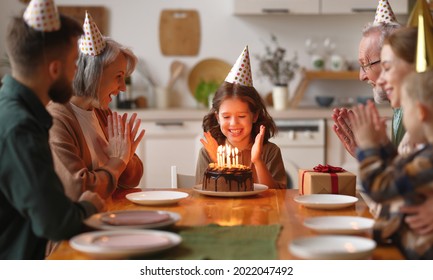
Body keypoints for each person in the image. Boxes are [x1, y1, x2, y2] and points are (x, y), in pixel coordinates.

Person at [0, 0, 104, 259]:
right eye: (73, 61)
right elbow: (56, 223)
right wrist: (88, 206)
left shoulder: (13, 111)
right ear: (55, 68)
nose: (76, 71)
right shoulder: (20, 128)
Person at [47, 12, 145, 201]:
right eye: (118, 76)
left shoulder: (102, 112)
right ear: (93, 74)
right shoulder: (56, 119)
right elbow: (79, 189)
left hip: (109, 212)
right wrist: (118, 161)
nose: (123, 87)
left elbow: (132, 180)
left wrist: (128, 157)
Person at [349, 69, 433, 259]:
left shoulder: (429, 159)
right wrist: (384, 145)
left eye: (404, 108)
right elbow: (398, 173)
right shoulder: (425, 153)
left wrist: (369, 148)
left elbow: (380, 188)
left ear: (420, 112)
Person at [195, 46, 287, 189]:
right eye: (226, 116)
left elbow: (276, 195)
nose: (234, 123)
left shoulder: (270, 152)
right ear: (217, 118)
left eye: (242, 116)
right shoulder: (208, 153)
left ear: (255, 115)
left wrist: (257, 160)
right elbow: (205, 196)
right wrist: (218, 162)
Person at [332, 0, 403, 157]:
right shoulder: (399, 108)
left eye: (366, 65)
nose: (361, 76)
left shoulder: (416, 110)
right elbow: (400, 172)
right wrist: (365, 152)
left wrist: (369, 155)